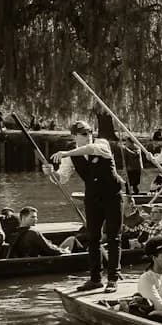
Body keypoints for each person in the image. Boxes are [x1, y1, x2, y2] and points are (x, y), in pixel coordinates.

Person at [45, 120, 125, 291]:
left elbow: (90, 149)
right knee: (93, 238)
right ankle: (95, 279)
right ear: (74, 136)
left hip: (113, 197)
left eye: (89, 132)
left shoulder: (101, 144)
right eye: (83, 134)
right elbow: (61, 179)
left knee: (113, 237)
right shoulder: (71, 157)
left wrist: (66, 152)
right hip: (93, 199)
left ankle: (113, 279)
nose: (88, 136)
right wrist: (50, 173)